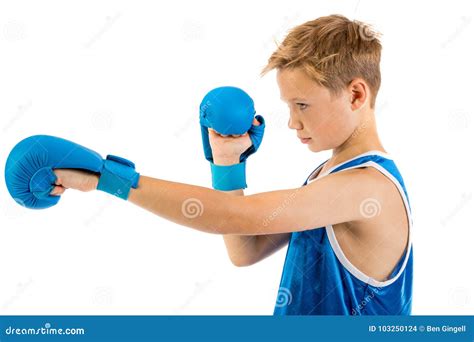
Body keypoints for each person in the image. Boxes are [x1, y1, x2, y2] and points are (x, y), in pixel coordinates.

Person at [50, 14, 413, 315]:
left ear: (355, 94)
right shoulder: (327, 177)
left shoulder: (368, 188)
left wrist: (107, 179)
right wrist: (227, 163)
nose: (291, 122)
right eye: (288, 107)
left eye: (301, 105)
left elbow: (233, 215)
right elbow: (244, 250)